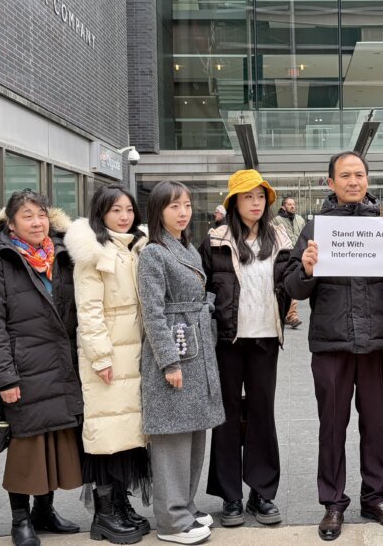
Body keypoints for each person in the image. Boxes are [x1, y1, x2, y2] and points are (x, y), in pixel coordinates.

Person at [279, 151, 383, 541]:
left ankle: (375, 498)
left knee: (375, 427)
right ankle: (333, 504)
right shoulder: (315, 230)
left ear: (367, 180)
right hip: (331, 345)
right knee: (332, 427)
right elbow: (293, 288)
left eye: (359, 175)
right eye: (345, 176)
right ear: (331, 184)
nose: (353, 182)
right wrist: (305, 269)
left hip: (376, 344)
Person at [0, 190, 84, 546]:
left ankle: (44, 511)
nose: (37, 222)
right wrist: (4, 376)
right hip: (25, 371)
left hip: (62, 366)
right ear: (11, 224)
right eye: (27, 216)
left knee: (56, 441)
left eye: (41, 215)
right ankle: (19, 519)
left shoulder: (65, 258)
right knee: (27, 447)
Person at [200, 169, 294, 527]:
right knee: (224, 417)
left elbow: (290, 280)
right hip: (228, 340)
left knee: (261, 413)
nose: (255, 203)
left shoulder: (280, 236)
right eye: (247, 197)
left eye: (260, 197)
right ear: (234, 202)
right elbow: (202, 287)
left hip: (266, 338)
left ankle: (262, 492)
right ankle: (230, 496)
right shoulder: (215, 240)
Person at [138, 181, 225, 545]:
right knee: (172, 437)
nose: (183, 212)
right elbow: (153, 314)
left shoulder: (186, 247)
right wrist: (169, 362)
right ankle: (171, 520)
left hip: (198, 346)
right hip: (175, 350)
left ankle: (185, 505)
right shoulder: (153, 254)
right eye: (174, 206)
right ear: (158, 210)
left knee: (194, 431)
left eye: (187, 205)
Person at [64, 186, 152, 544]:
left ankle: (121, 502)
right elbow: (89, 310)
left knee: (129, 432)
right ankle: (104, 512)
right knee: (106, 434)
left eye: (129, 209)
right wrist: (100, 356)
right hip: (109, 355)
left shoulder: (136, 247)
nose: (124, 216)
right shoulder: (93, 251)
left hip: (135, 352)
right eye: (116, 210)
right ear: (100, 213)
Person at [274, 196, 306, 328]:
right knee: (284, 285)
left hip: (298, 255)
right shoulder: (276, 220)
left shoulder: (300, 219)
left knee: (293, 283)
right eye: (289, 204)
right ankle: (289, 314)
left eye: (294, 204)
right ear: (283, 206)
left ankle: (291, 314)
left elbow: (304, 235)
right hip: (283, 256)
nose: (293, 206)